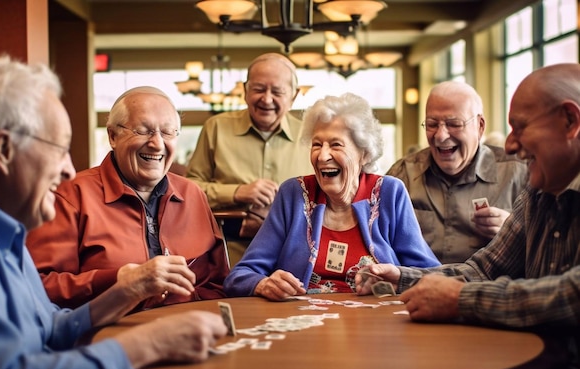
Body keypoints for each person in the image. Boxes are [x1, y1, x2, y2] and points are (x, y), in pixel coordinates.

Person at [0, 55, 228, 369]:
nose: (69, 167)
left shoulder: (7, 231)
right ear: (4, 150)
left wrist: (129, 289)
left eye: (168, 133)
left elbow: (50, 326)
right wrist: (147, 343)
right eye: (58, 147)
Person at [356, 63, 580, 369]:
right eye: (432, 124)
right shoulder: (539, 191)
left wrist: (461, 299)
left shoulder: (524, 177)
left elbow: (572, 294)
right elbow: (485, 269)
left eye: (520, 127)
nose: (509, 144)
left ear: (570, 121)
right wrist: (402, 278)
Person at [26, 85, 229, 310]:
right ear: (113, 136)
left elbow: (218, 282)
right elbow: (36, 285)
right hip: (107, 336)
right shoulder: (71, 196)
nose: (157, 143)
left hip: (188, 333)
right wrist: (119, 281)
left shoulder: (193, 195)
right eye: (143, 130)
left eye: (168, 132)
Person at [224, 93, 440, 300]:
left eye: (336, 145)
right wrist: (263, 284)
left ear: (363, 154)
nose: (323, 155)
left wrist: (398, 277)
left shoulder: (389, 193)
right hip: (302, 322)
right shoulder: (294, 194)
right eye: (317, 145)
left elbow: (431, 275)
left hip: (375, 322)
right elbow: (240, 275)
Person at [186, 52, 313, 267]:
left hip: (295, 261)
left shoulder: (311, 137)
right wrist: (236, 192)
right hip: (229, 258)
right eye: (259, 89)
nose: (267, 99)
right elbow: (189, 191)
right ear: (245, 91)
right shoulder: (216, 128)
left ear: (294, 96)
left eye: (277, 91)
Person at [386, 81, 528, 263]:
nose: (440, 135)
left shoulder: (519, 174)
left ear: (480, 126)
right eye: (432, 124)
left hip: (486, 289)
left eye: (454, 124)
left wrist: (515, 231)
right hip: (413, 288)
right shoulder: (402, 175)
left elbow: (547, 251)